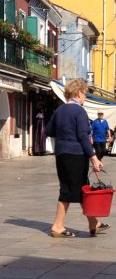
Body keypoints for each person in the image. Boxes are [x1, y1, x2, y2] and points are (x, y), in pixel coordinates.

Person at [45, 79, 110, 238]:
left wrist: (64, 134)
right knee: (68, 190)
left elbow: (48, 130)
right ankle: (58, 226)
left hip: (61, 154)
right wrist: (94, 158)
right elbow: (82, 136)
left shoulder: (59, 110)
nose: (85, 97)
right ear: (79, 92)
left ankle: (93, 222)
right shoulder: (79, 111)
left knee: (81, 188)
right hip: (75, 155)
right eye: (85, 94)